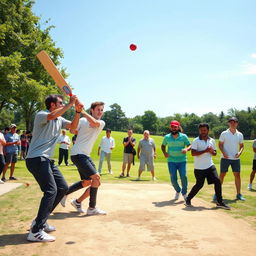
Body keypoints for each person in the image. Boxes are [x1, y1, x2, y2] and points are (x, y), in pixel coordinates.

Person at [26, 94, 82, 242]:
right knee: (50, 190)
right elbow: (51, 116)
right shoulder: (42, 115)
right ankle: (36, 231)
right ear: (52, 104)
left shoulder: (60, 119)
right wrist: (70, 104)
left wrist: (77, 111)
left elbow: (73, 128)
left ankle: (40, 221)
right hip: (36, 158)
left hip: (48, 160)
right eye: (60, 103)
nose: (63, 104)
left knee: (62, 188)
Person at [61, 102, 106, 215]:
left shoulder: (101, 122)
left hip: (85, 155)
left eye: (101, 110)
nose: (100, 112)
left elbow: (94, 123)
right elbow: (72, 130)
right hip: (78, 154)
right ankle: (92, 208)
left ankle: (76, 201)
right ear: (92, 110)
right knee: (96, 179)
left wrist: (82, 111)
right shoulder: (82, 120)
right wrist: (77, 113)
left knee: (88, 182)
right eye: (98, 110)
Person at [185, 123, 230, 210]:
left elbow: (215, 153)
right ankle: (188, 198)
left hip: (210, 166)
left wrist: (212, 151)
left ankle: (220, 202)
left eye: (205, 130)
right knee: (199, 184)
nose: (203, 132)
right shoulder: (196, 141)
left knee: (217, 181)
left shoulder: (212, 140)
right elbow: (193, 153)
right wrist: (205, 150)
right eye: (201, 130)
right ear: (199, 131)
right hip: (199, 168)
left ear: (208, 130)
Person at [161, 120, 191, 201]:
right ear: (170, 127)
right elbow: (163, 146)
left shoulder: (184, 136)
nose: (174, 128)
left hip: (182, 161)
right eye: (172, 127)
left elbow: (190, 145)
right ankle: (178, 190)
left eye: (175, 127)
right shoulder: (167, 137)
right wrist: (165, 153)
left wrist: (186, 149)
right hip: (171, 161)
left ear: (178, 127)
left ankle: (184, 193)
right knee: (173, 179)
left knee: (183, 176)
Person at [218, 117, 245, 201]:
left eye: (234, 122)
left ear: (237, 123)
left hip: (236, 159)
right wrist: (224, 153)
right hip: (225, 158)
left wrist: (240, 153)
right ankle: (217, 193)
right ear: (228, 123)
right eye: (231, 122)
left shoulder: (240, 134)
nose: (233, 124)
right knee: (222, 175)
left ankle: (238, 194)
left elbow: (242, 146)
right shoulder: (224, 133)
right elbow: (220, 145)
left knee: (237, 175)